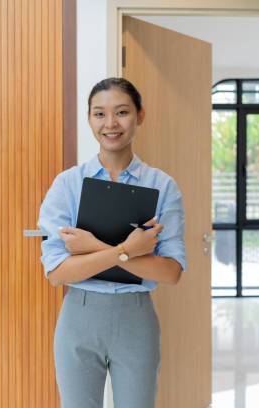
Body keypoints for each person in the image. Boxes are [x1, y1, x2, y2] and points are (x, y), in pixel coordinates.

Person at [37, 77, 186, 408]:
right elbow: (58, 274)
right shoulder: (68, 184)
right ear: (89, 118)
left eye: (122, 112)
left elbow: (171, 272)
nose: (111, 124)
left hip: (136, 317)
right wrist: (127, 249)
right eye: (100, 114)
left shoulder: (163, 186)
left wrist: (92, 247)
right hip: (79, 315)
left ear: (140, 115)